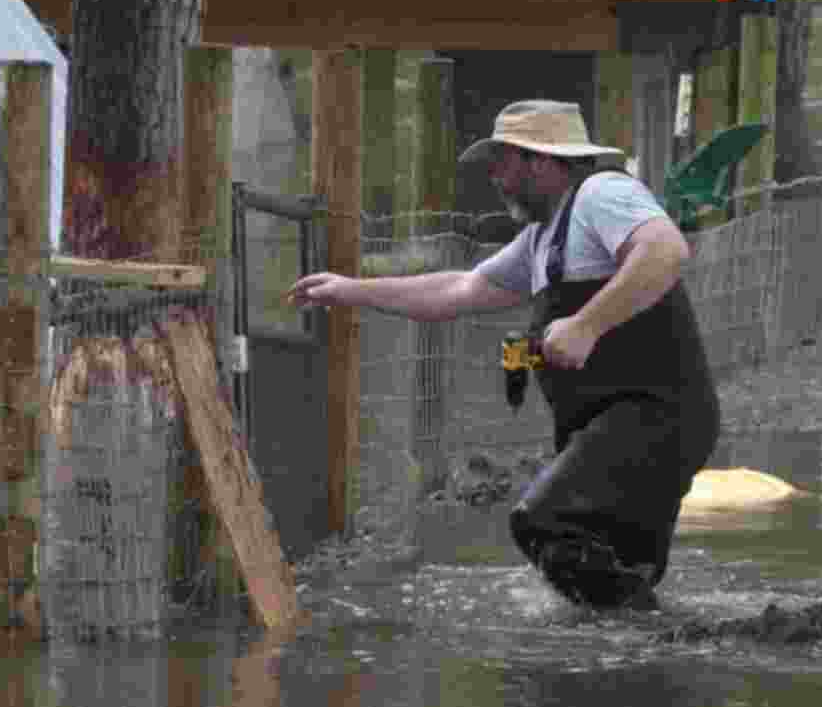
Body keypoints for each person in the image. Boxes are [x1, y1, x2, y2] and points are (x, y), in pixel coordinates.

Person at [287, 100, 720, 610]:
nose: (493, 176)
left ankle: (642, 644)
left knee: (543, 523)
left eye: (501, 161)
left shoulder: (604, 193)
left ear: (541, 161)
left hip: (655, 417)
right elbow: (460, 290)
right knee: (613, 570)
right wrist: (349, 289)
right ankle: (641, 666)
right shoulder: (543, 237)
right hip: (617, 425)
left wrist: (587, 324)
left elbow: (666, 250)